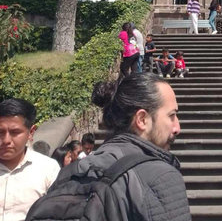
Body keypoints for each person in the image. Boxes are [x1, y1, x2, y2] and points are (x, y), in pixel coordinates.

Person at [46, 73, 190, 220]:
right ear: (142, 119)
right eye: (171, 115)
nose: (177, 127)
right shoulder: (161, 176)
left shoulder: (69, 173)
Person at [0, 98, 60, 221]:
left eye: (15, 132)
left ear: (31, 132)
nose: (6, 140)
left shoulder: (48, 169)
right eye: (0, 132)